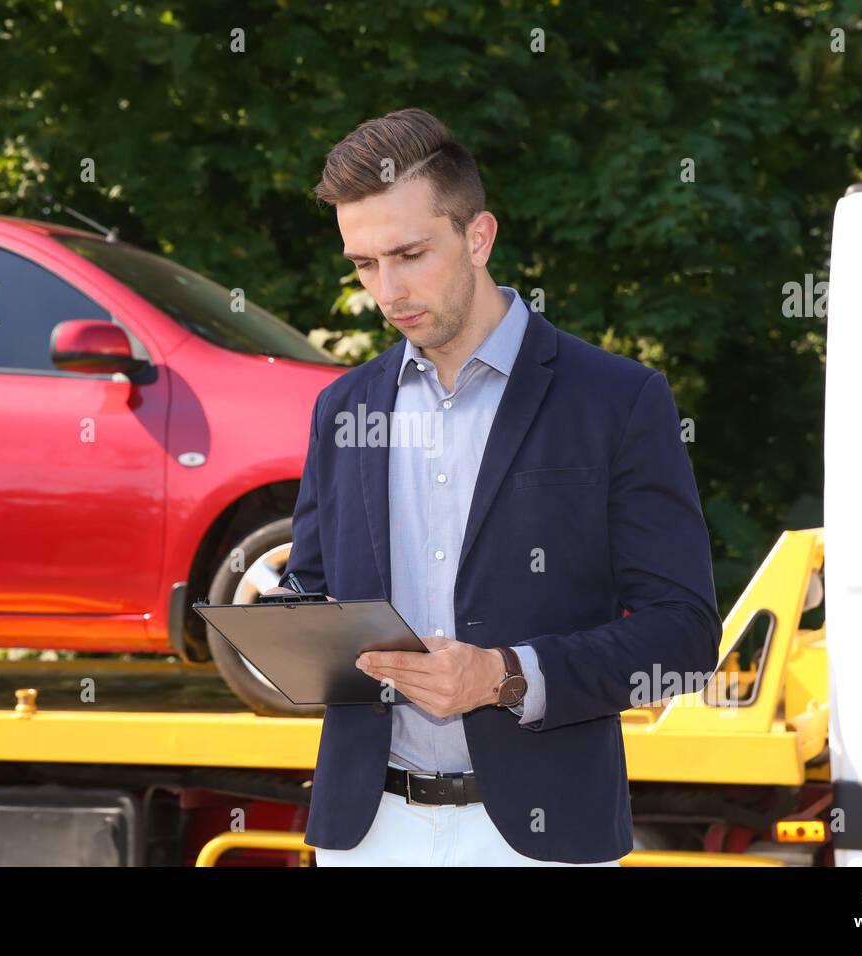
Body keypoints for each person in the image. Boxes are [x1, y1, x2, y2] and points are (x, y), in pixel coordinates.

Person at [277, 107, 721, 865]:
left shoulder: (615, 399)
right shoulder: (343, 409)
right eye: (363, 264)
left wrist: (506, 676)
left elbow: (682, 635)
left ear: (478, 237)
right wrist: (278, 631)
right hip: (368, 832)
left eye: (410, 254)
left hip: (541, 837)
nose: (388, 290)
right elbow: (310, 592)